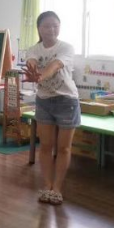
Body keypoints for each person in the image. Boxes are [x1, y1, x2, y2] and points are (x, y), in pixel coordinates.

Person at [24, 11, 81, 206]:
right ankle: (47, 186)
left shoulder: (66, 47)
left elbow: (56, 65)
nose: (51, 29)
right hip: (44, 101)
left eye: (55, 25)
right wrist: (33, 70)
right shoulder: (33, 49)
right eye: (47, 26)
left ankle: (57, 188)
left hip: (66, 101)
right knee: (46, 146)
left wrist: (40, 76)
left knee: (63, 148)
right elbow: (31, 62)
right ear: (39, 29)